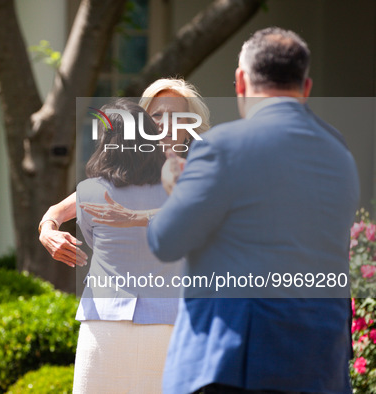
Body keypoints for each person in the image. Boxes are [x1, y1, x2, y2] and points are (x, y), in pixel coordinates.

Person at [143, 28, 358, 393]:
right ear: (305, 87)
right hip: (322, 362)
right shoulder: (341, 156)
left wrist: (174, 187)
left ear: (242, 81)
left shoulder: (221, 147)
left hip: (234, 364)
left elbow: (166, 241)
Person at [73, 98, 184, 393]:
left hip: (103, 321)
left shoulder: (88, 192)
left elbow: (92, 238)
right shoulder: (178, 191)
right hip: (166, 322)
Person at [38, 78, 210, 267]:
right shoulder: (123, 175)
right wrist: (48, 231)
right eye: (157, 115)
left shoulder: (202, 175)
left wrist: (134, 217)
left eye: (176, 116)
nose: (165, 123)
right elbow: (56, 211)